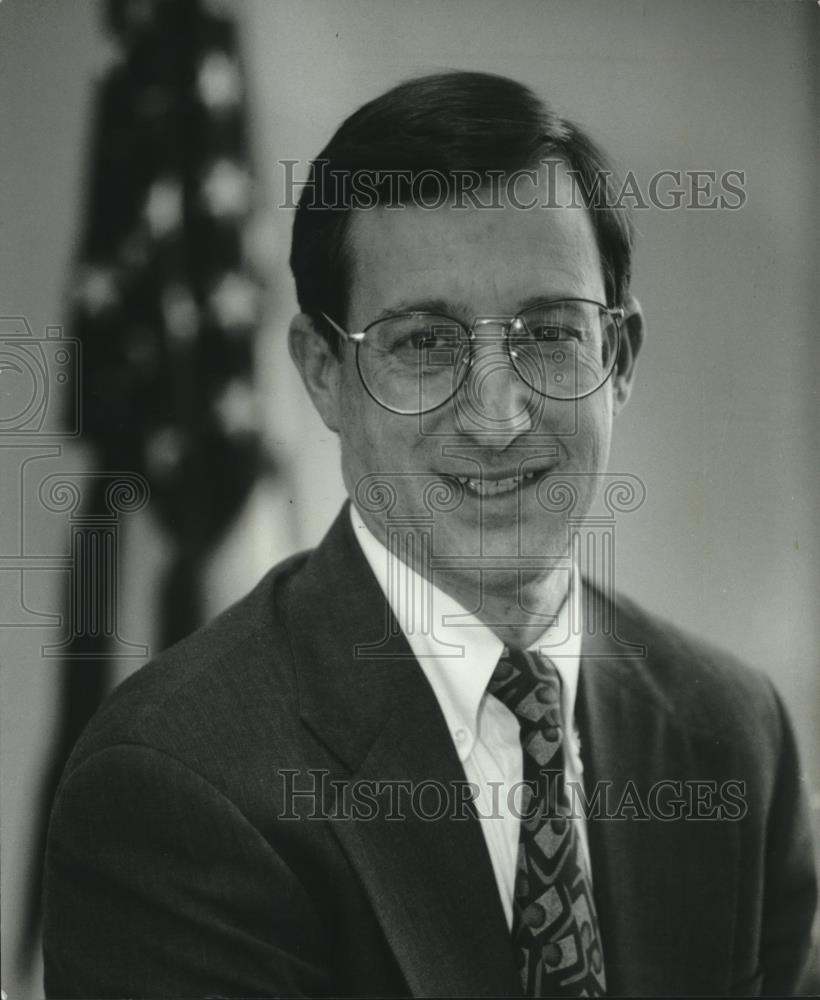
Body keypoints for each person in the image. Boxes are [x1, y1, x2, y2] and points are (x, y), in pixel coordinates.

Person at [43, 70, 816, 998]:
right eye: (423, 341)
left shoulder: (733, 736)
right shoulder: (173, 785)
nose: (497, 415)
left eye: (547, 332)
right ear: (323, 373)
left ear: (618, 358)